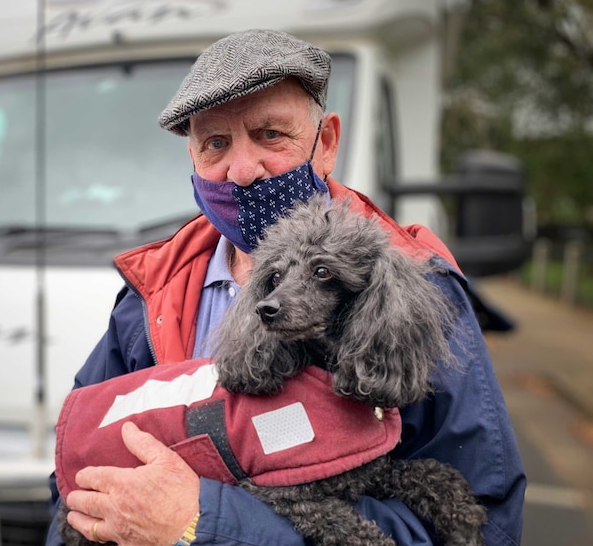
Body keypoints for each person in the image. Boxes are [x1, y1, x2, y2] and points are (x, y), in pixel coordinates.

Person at [46, 29, 526, 546]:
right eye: (215, 143)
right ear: (193, 160)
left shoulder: (416, 289)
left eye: (271, 134)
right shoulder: (149, 295)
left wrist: (205, 523)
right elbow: (72, 485)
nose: (244, 171)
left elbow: (486, 525)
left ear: (325, 144)